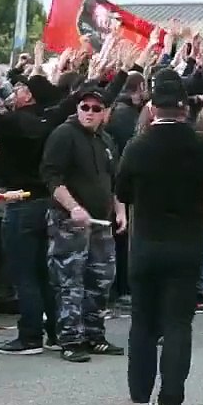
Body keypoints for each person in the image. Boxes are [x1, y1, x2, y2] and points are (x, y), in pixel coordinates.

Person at [115, 70, 203, 405]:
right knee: (178, 323)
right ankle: (170, 398)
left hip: (146, 243)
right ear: (185, 108)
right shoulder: (201, 145)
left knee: (142, 319)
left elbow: (122, 190)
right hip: (186, 241)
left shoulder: (137, 145)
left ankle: (139, 390)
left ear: (153, 107)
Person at [40, 87, 127, 363]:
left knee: (101, 279)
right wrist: (73, 207)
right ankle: (69, 338)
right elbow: (51, 178)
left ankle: (94, 334)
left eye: (95, 108)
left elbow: (114, 180)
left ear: (105, 113)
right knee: (70, 281)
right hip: (70, 222)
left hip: (101, 222)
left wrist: (120, 210)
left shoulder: (106, 140)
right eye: (84, 107)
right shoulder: (64, 135)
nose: (89, 112)